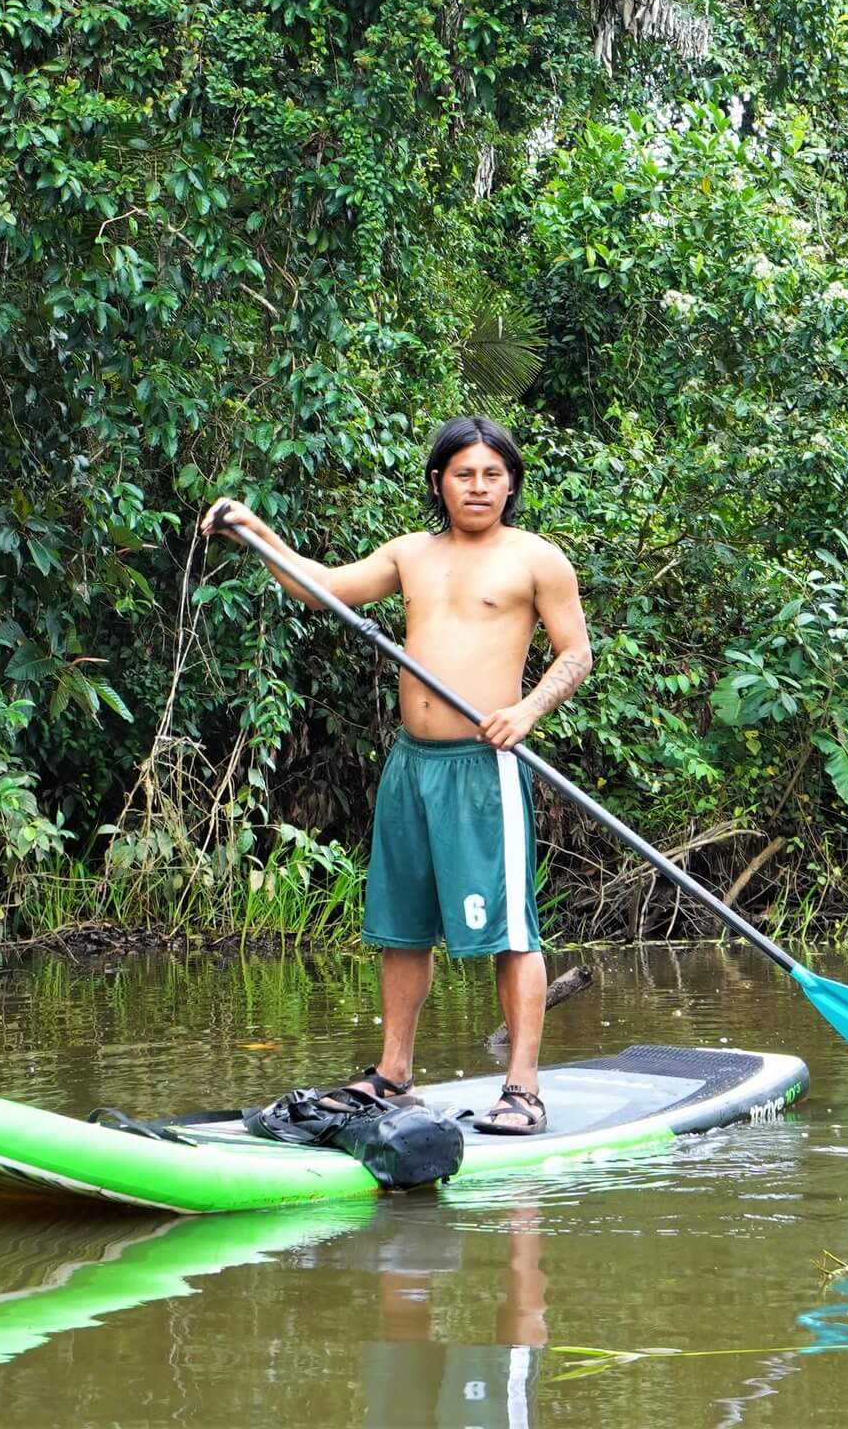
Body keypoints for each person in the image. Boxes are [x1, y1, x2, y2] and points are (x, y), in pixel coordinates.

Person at [202, 415, 591, 1136]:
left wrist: (529, 710)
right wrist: (257, 534)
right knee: (401, 929)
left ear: (511, 484)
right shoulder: (410, 553)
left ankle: (523, 1089)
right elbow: (319, 591)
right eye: (464, 474)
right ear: (439, 482)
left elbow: (576, 653)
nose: (478, 487)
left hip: (485, 767)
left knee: (509, 931)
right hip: (412, 768)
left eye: (492, 475)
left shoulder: (536, 559)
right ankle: (392, 1076)